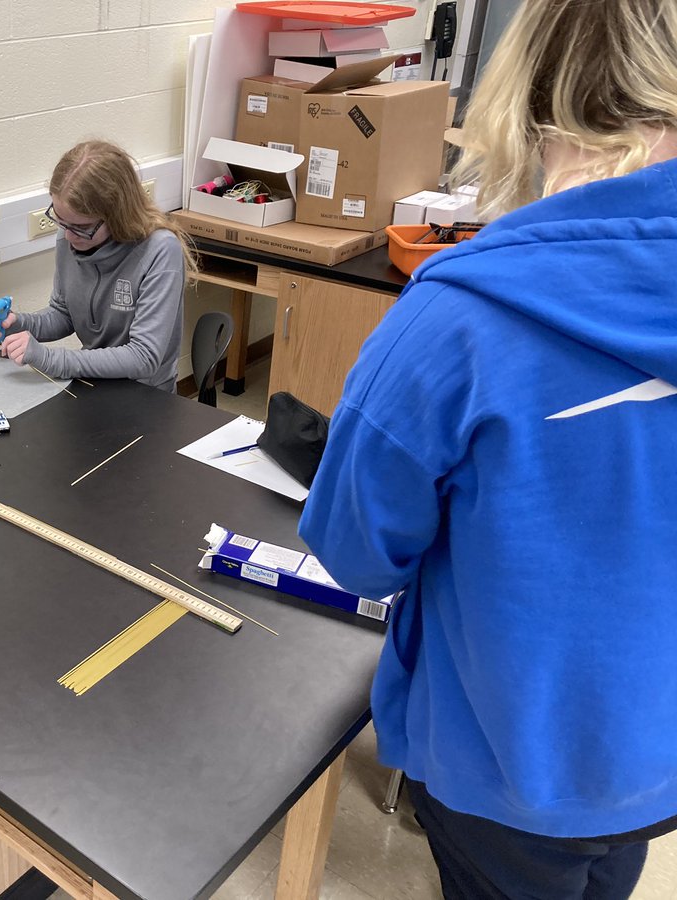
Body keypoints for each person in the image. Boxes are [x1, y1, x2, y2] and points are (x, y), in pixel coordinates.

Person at [298, 1, 677, 897]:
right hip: (653, 745)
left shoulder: (459, 322)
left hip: (509, 761)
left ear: (532, 92)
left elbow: (357, 556)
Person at [0, 140, 196, 392]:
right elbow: (63, 313)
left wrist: (50, 359)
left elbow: (144, 357)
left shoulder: (159, 250)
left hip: (146, 395)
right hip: (92, 385)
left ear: (118, 215)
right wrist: (18, 324)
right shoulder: (67, 235)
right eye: (60, 221)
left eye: (82, 228)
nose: (69, 236)